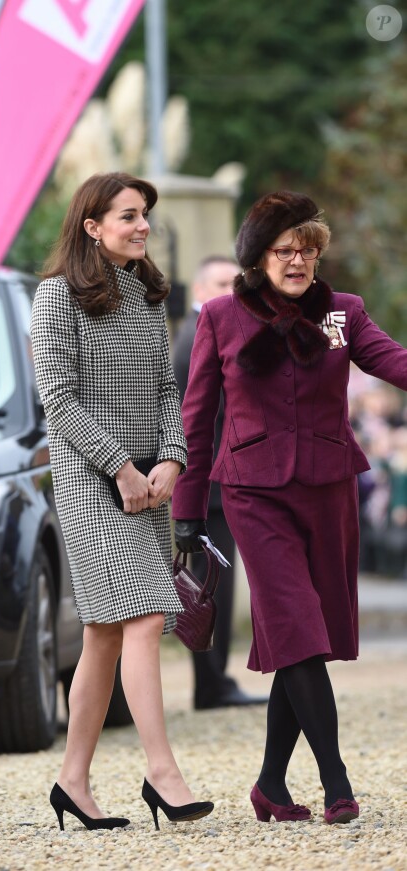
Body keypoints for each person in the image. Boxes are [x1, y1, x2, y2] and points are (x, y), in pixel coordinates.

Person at [172, 190, 407, 825]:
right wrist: (188, 514)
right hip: (252, 492)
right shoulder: (221, 316)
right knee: (298, 629)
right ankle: (338, 785)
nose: (297, 261)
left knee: (304, 638)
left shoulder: (345, 314)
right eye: (283, 250)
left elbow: (394, 363)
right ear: (259, 257)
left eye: (306, 249)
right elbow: (196, 421)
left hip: (330, 490)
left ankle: (270, 786)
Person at [31, 172, 214, 832]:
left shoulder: (145, 293)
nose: (143, 226)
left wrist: (170, 458)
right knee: (142, 615)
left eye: (145, 216)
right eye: (130, 215)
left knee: (105, 635)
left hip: (149, 483)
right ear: (92, 225)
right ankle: (162, 772)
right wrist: (121, 467)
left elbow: (170, 390)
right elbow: (57, 398)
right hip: (90, 483)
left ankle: (72, 781)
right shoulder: (55, 297)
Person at [173, 255, 268, 710]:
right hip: (208, 487)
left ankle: (214, 681)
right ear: (197, 289)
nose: (233, 291)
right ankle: (210, 684)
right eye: (221, 282)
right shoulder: (198, 336)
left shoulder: (205, 332)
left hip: (209, 483)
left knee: (215, 586)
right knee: (212, 587)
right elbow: (197, 419)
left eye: (237, 283)